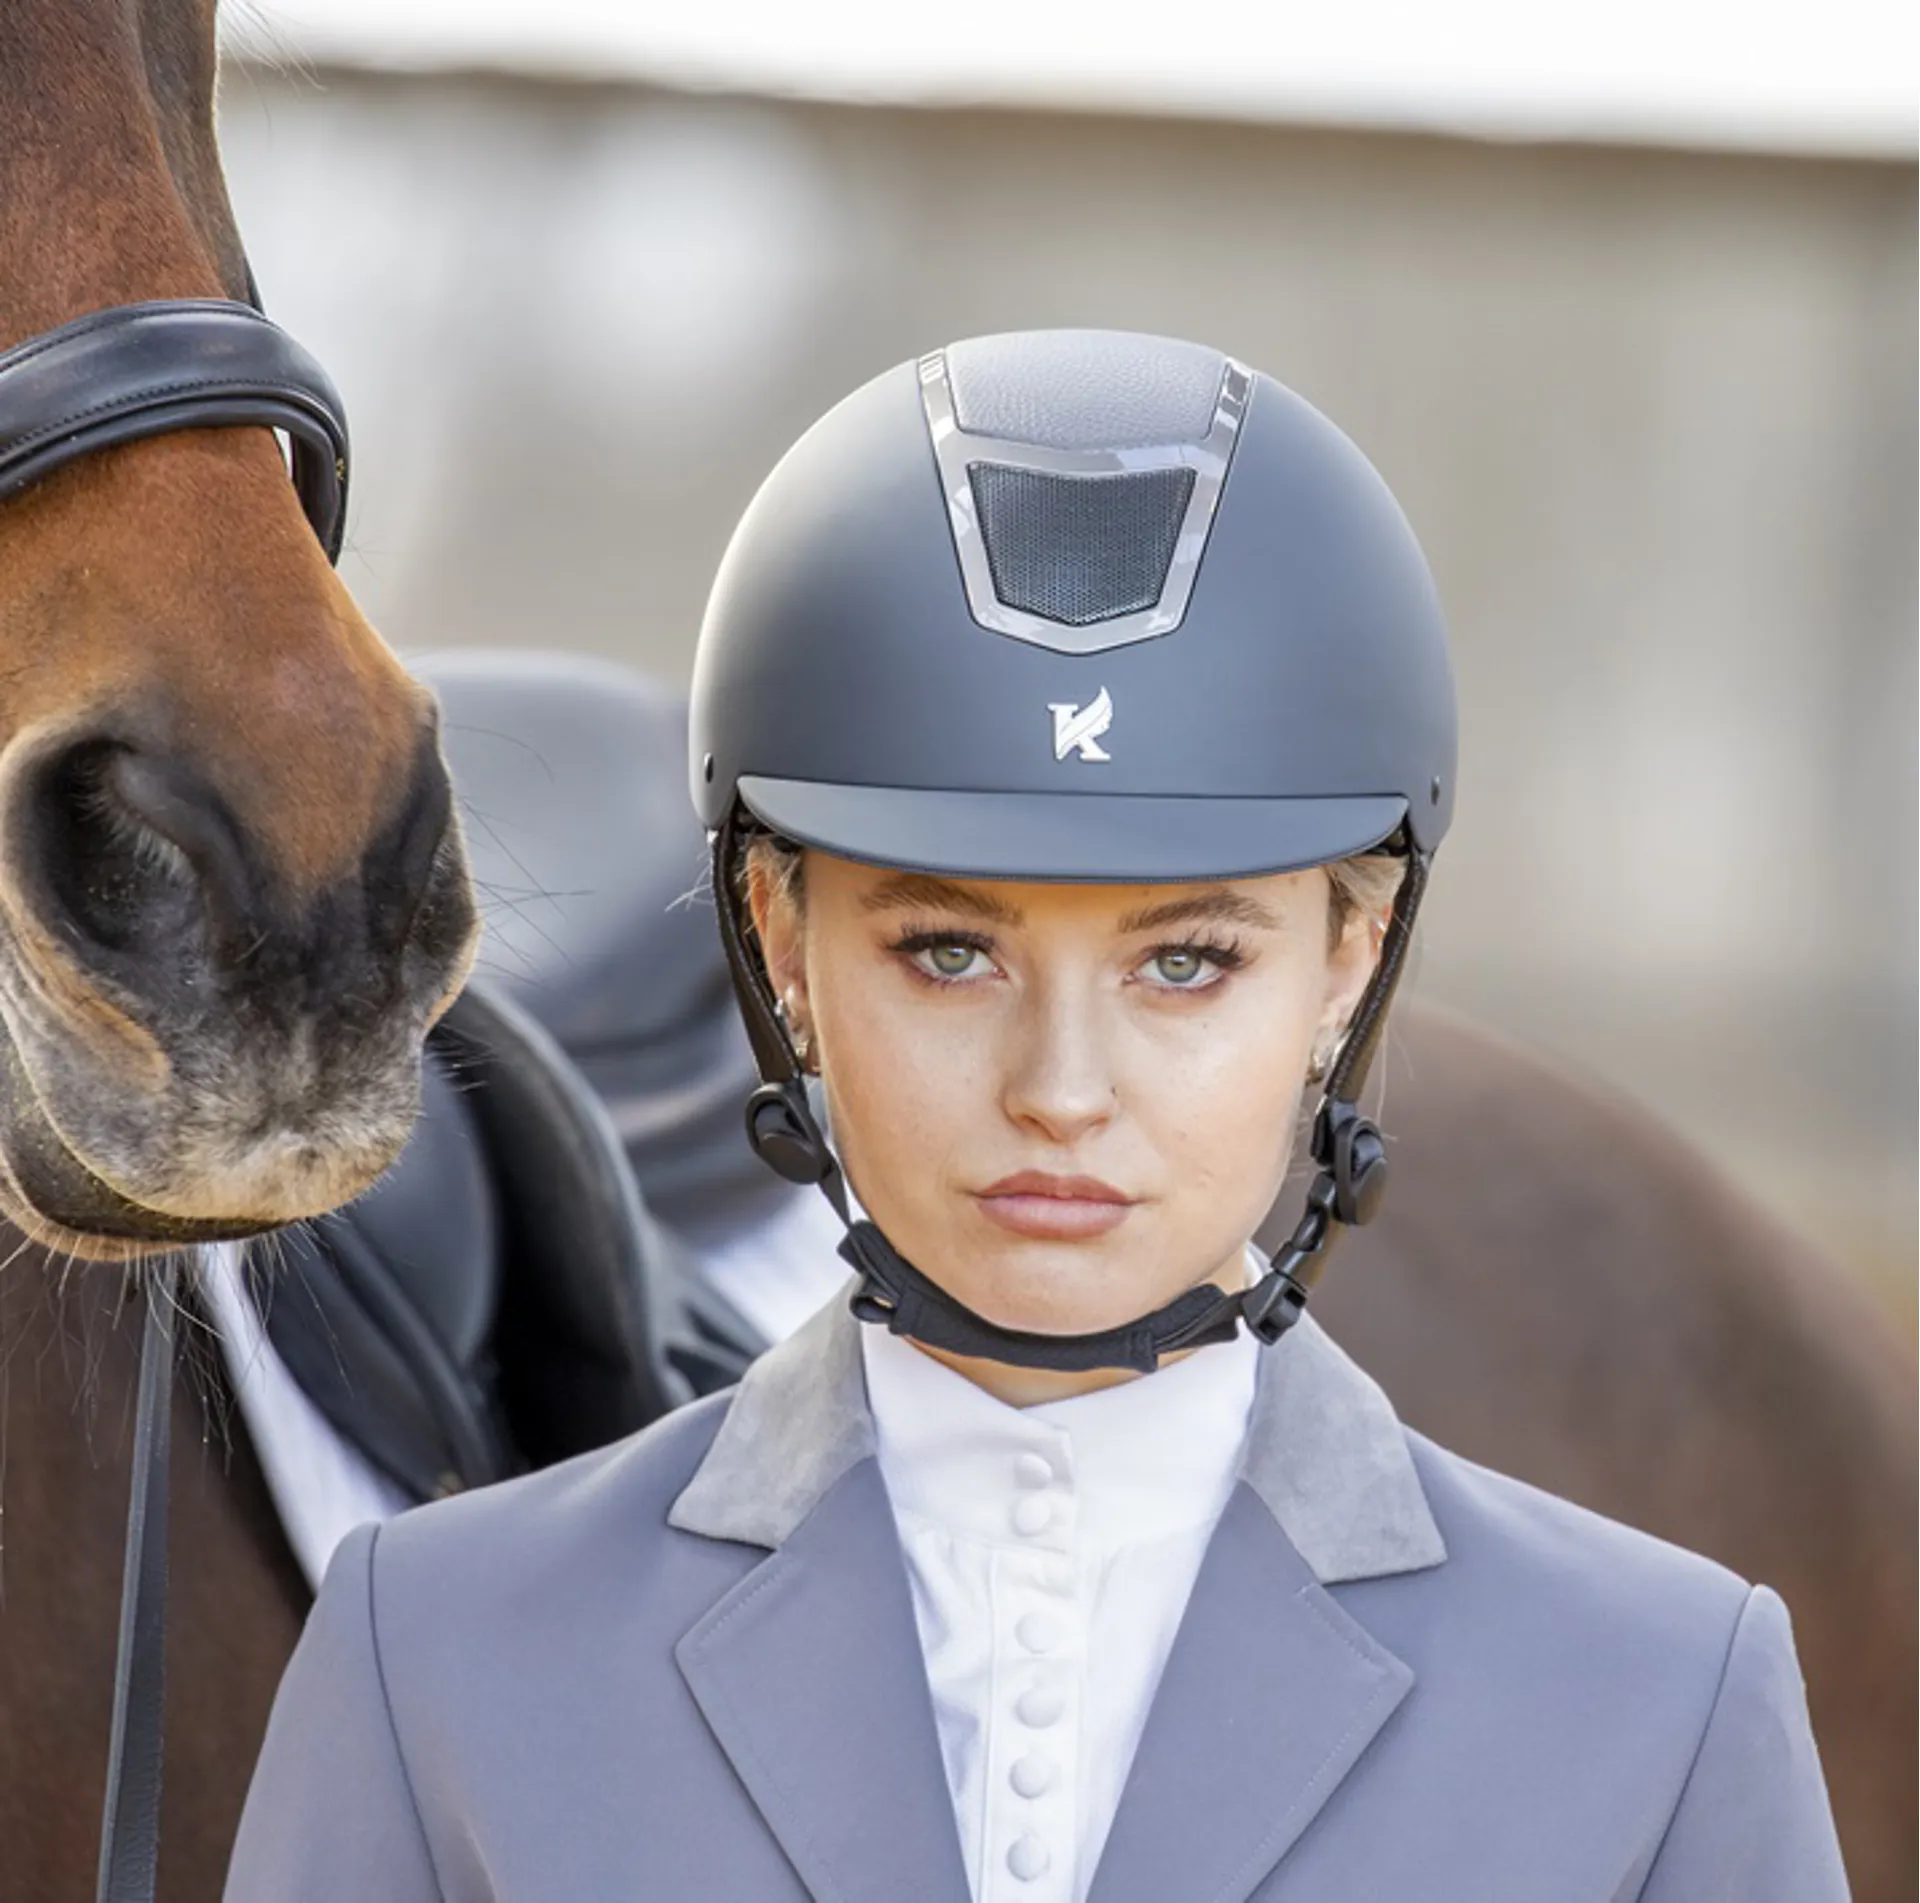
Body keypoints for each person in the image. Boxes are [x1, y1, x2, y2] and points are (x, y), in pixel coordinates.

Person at [224, 329, 1848, 1901]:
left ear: (1348, 963)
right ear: (783, 945)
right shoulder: (428, 1656)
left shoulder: (1671, 1707)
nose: (1061, 1091)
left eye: (1188, 964)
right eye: (948, 952)